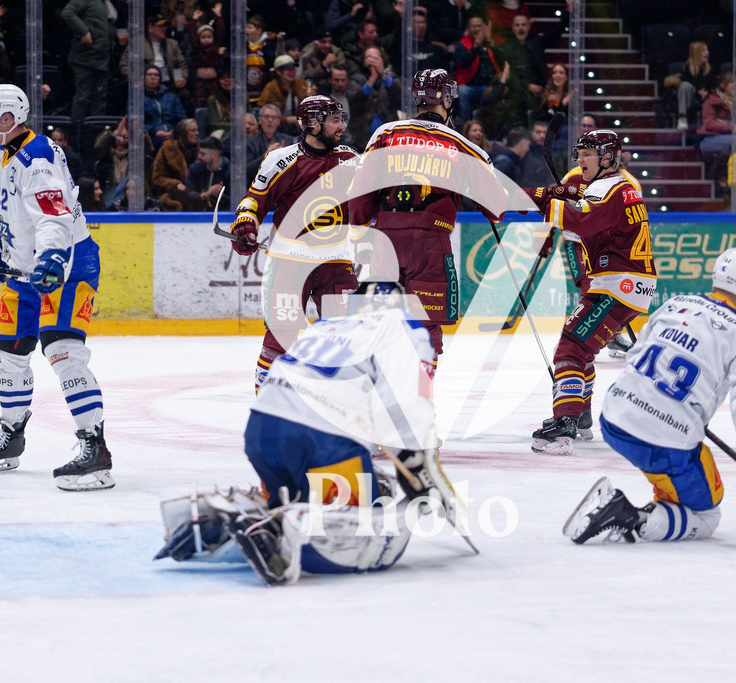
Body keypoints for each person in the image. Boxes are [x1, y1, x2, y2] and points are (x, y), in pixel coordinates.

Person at [153, 281, 465, 586]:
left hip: (261, 432)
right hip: (322, 442)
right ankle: (271, 526)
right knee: (354, 538)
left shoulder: (326, 325)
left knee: (294, 502)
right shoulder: (403, 328)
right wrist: (422, 472)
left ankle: (253, 516)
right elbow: (408, 407)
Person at [563, 248, 736, 545]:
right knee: (706, 515)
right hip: (663, 439)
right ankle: (629, 516)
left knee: (681, 472)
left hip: (614, 418)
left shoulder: (675, 304)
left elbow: (636, 355)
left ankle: (661, 501)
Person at [0, 84, 113, 492]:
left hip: (66, 264)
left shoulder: (39, 157)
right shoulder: (0, 154)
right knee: (8, 351)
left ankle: (95, 447)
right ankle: (11, 436)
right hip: (26, 268)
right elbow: (6, 210)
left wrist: (49, 258)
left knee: (62, 349)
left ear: (7, 118)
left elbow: (55, 216)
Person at [349, 68, 504, 363]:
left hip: (385, 241)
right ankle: (418, 401)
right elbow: (496, 208)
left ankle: (382, 400)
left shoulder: (386, 133)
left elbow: (360, 194)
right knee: (425, 328)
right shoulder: (465, 147)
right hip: (430, 245)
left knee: (382, 325)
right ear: (447, 99)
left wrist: (360, 236)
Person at [525, 129, 657, 455]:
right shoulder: (607, 185)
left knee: (570, 349)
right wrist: (515, 197)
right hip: (622, 283)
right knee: (581, 349)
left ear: (608, 158)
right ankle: (580, 415)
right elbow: (558, 192)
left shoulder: (610, 189)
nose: (579, 159)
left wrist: (553, 205)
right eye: (578, 153)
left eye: (587, 154)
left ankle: (565, 424)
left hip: (617, 283)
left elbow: (579, 219)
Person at [229, 96, 359, 390]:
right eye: (334, 120)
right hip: (290, 262)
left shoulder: (350, 159)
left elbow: (366, 204)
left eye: (342, 119)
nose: (341, 126)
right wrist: (246, 224)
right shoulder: (283, 160)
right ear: (312, 123)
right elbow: (254, 200)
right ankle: (268, 403)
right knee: (282, 335)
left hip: (336, 261)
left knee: (346, 335)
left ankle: (342, 402)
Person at [61, 0, 117, 121]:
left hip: (102, 60)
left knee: (99, 101)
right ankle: (76, 135)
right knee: (83, 99)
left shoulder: (105, 3)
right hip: (86, 59)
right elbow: (67, 13)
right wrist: (84, 31)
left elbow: (102, 28)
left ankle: (96, 136)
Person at [151, 117, 199, 211]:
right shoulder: (168, 148)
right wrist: (176, 184)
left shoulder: (200, 149)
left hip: (195, 193)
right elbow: (157, 178)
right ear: (183, 133)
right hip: (172, 193)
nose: (197, 133)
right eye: (193, 130)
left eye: (197, 130)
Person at [258, 55, 312, 134]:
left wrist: (310, 99)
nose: (292, 72)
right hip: (279, 128)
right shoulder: (271, 88)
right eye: (288, 69)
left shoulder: (301, 84)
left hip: (300, 127)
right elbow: (269, 114)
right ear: (278, 72)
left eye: (293, 69)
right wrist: (295, 119)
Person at [245, 104, 295, 186]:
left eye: (274, 117)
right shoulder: (249, 142)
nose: (270, 120)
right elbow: (247, 171)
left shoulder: (288, 140)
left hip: (282, 186)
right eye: (266, 117)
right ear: (259, 120)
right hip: (257, 187)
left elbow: (294, 169)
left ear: (278, 121)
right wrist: (266, 156)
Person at [676, 41, 718, 130]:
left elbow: (713, 86)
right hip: (691, 97)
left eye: (707, 50)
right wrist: (698, 91)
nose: (707, 52)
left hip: (706, 98)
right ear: (696, 53)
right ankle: (682, 117)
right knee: (684, 85)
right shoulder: (686, 67)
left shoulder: (710, 68)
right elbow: (686, 84)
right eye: (703, 51)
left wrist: (706, 92)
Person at [144, 64, 187, 148]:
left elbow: (182, 119)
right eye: (149, 75)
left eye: (156, 75)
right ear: (144, 78)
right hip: (150, 137)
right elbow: (134, 123)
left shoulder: (171, 97)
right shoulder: (137, 99)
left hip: (173, 136)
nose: (153, 77)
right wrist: (155, 131)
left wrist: (174, 132)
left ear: (160, 78)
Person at [185, 135, 228, 212]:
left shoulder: (230, 171)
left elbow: (237, 200)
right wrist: (205, 195)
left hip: (222, 218)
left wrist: (221, 196)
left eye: (203, 154)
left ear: (215, 155)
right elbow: (187, 193)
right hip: (197, 217)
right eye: (199, 152)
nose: (198, 156)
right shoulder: (196, 168)